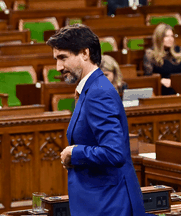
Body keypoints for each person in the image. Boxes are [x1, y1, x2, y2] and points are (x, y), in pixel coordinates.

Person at [46, 24, 147, 216]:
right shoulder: (91, 89)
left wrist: (74, 153)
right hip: (100, 202)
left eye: (63, 58)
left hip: (109, 205)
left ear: (85, 53)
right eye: (56, 59)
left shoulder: (98, 92)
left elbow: (114, 152)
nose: (58, 67)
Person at [143, 23, 181, 95]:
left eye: (172, 36)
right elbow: (148, 78)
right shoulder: (150, 54)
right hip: (163, 92)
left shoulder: (178, 50)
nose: (170, 39)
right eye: (166, 36)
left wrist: (178, 82)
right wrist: (160, 80)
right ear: (159, 38)